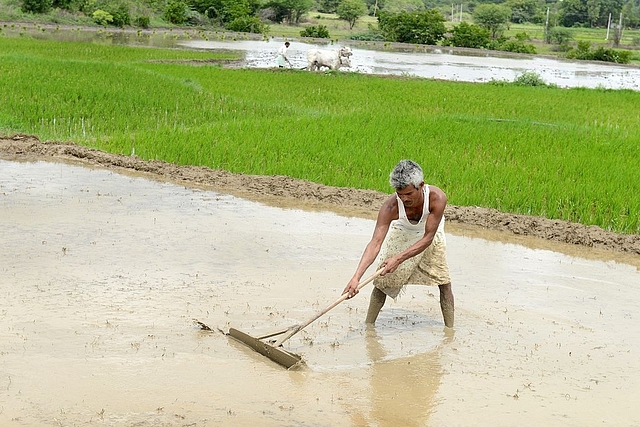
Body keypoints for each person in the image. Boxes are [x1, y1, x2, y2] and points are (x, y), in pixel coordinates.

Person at [342, 159, 454, 328]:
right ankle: (368, 327)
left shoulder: (437, 198)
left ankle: (450, 330)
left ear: (421, 185)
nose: (404, 198)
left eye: (409, 194)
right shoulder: (391, 206)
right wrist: (356, 277)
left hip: (430, 233)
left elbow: (427, 238)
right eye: (399, 194)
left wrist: (398, 259)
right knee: (382, 279)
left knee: (443, 281)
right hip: (403, 230)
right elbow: (375, 243)